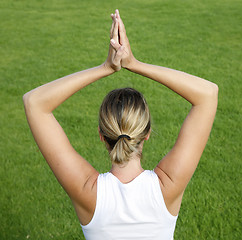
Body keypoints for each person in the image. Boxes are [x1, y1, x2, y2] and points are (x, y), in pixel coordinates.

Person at [23, 9, 218, 240]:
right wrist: (134, 63)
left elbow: (35, 102)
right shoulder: (167, 186)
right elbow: (208, 94)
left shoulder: (88, 192)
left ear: (101, 135)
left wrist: (106, 67)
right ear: (146, 134)